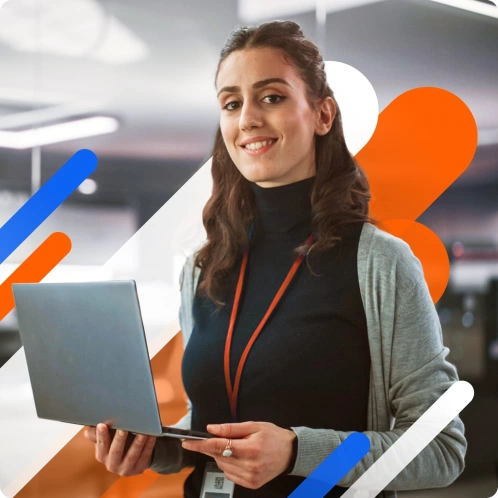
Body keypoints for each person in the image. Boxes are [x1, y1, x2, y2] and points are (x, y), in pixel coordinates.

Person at [84, 20, 466, 498]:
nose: (247, 119)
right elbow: (212, 425)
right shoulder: (202, 269)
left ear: (323, 114)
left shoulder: (380, 264)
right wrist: (159, 447)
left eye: (271, 97)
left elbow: (441, 448)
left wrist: (295, 452)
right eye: (231, 103)